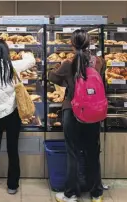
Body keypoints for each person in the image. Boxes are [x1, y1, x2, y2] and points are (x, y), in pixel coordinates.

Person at [48, 30, 104, 202]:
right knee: (92, 152)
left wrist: (56, 68)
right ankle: (96, 193)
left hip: (72, 111)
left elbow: (53, 78)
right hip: (93, 111)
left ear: (71, 44)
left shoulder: (68, 63)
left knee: (72, 152)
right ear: (89, 44)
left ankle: (71, 193)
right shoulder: (99, 61)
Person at [0, 39, 35, 201]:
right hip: (12, 114)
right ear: (5, 52)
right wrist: (25, 52)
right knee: (12, 150)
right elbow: (31, 61)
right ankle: (12, 186)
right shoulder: (12, 67)